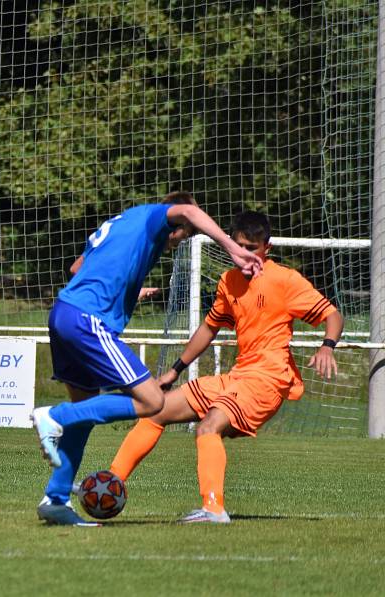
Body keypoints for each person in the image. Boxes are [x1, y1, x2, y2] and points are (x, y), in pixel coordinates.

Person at [30, 192, 264, 526]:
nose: (185, 238)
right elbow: (187, 210)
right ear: (177, 224)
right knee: (153, 401)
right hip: (87, 320)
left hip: (64, 314)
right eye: (187, 232)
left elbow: (78, 267)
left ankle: (55, 498)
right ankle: (54, 415)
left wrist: (125, 290)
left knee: (85, 415)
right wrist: (233, 248)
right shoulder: (153, 217)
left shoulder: (122, 223)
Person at [110, 211, 343, 523]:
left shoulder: (285, 280)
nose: (244, 254)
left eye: (252, 247)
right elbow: (209, 328)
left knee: (209, 426)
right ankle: (110, 484)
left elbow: (332, 315)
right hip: (238, 376)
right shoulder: (228, 281)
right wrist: (175, 369)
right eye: (238, 246)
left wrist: (327, 346)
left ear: (267, 247)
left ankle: (213, 508)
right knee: (157, 410)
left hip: (268, 381)